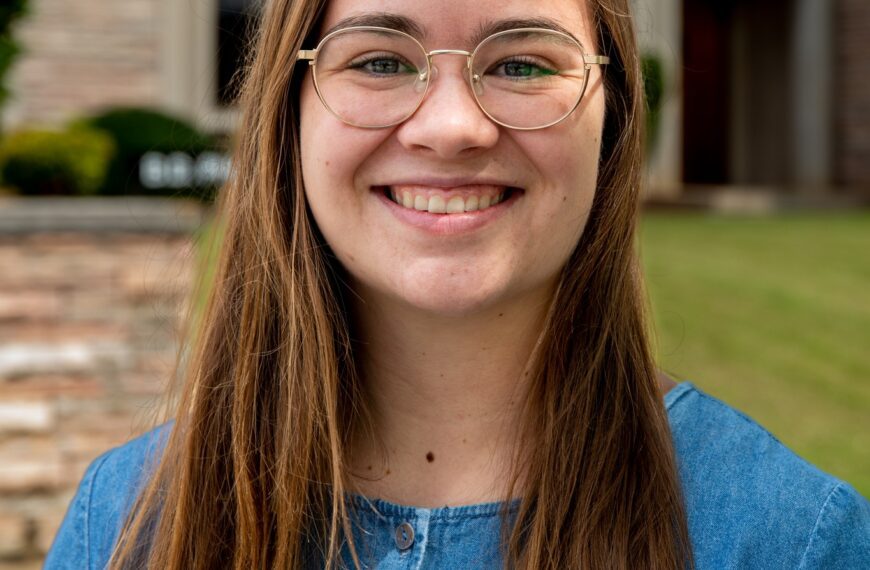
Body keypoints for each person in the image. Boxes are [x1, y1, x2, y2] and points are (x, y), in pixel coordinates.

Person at [46, 0, 869, 568]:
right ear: (289, 113)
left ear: (612, 114)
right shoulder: (123, 524)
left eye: (518, 63)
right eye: (378, 59)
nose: (452, 127)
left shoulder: (791, 538)